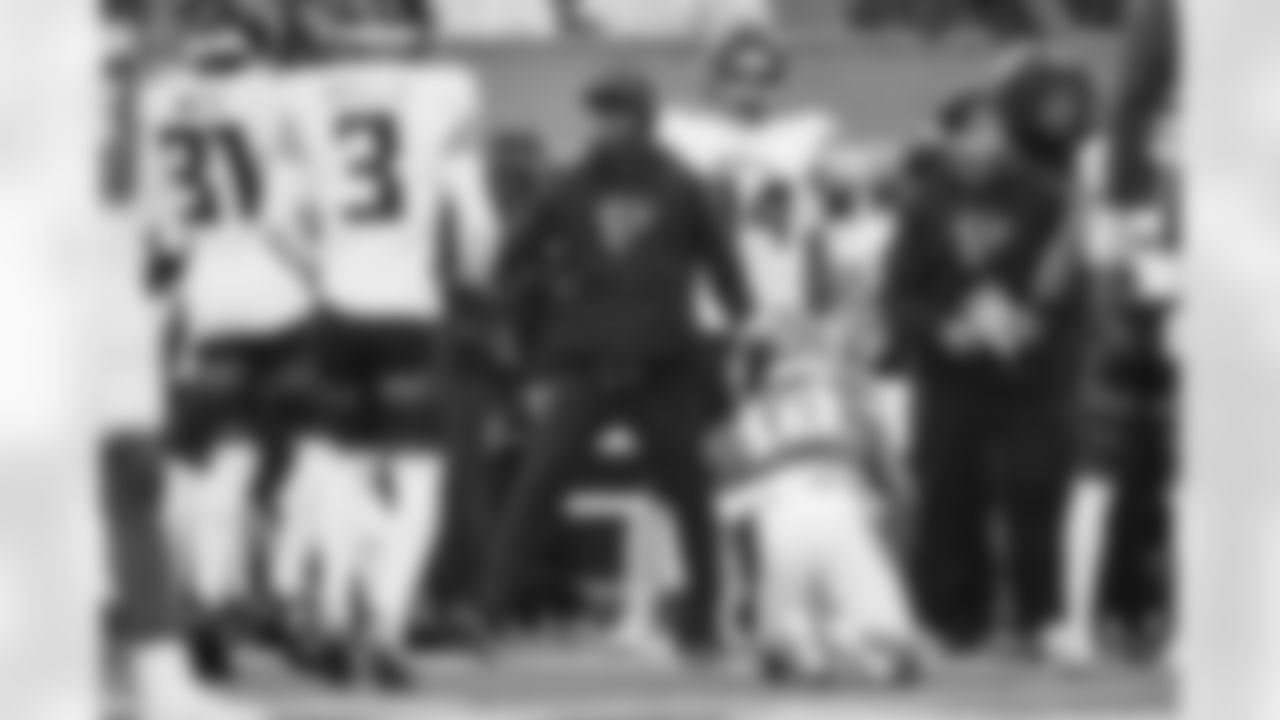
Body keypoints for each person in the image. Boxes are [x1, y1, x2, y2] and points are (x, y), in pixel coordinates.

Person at [471, 68, 752, 659]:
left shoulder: (683, 186)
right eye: (598, 115)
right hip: (586, 366)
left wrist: (742, 328)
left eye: (617, 114)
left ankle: (701, 623)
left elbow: (726, 269)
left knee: (691, 495)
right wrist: (546, 296)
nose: (604, 126)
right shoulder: (568, 185)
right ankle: (490, 614)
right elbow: (510, 260)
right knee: (535, 485)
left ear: (646, 119)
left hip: (665, 366)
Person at [279, 0, 499, 686]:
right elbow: (476, 221)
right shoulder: (446, 90)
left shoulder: (302, 95)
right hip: (409, 309)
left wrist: (319, 273)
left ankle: (341, 614)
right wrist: (470, 281)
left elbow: (279, 219)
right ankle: (388, 620)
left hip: (337, 307)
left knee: (339, 470)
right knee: (420, 482)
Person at [134, 9, 314, 682]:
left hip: (203, 297)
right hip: (285, 294)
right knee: (308, 465)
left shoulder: (155, 104)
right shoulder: (281, 95)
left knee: (205, 465)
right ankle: (288, 600)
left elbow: (156, 224)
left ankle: (202, 600)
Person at [885, 90, 1083, 656]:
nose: (982, 143)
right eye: (967, 132)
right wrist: (941, 329)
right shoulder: (923, 204)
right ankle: (951, 620)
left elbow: (1069, 283)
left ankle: (1040, 617)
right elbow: (900, 294)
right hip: (950, 375)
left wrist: (1033, 323)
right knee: (949, 495)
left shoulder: (1045, 196)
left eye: (990, 130)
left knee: (1035, 491)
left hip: (1030, 377)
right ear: (946, 141)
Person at [711, 284, 921, 685]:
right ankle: (858, 638)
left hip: (782, 521)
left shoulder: (735, 429)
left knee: (781, 644)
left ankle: (799, 639)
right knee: (898, 655)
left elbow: (740, 530)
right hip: (843, 511)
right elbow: (903, 494)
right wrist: (891, 566)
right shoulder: (852, 401)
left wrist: (761, 603)